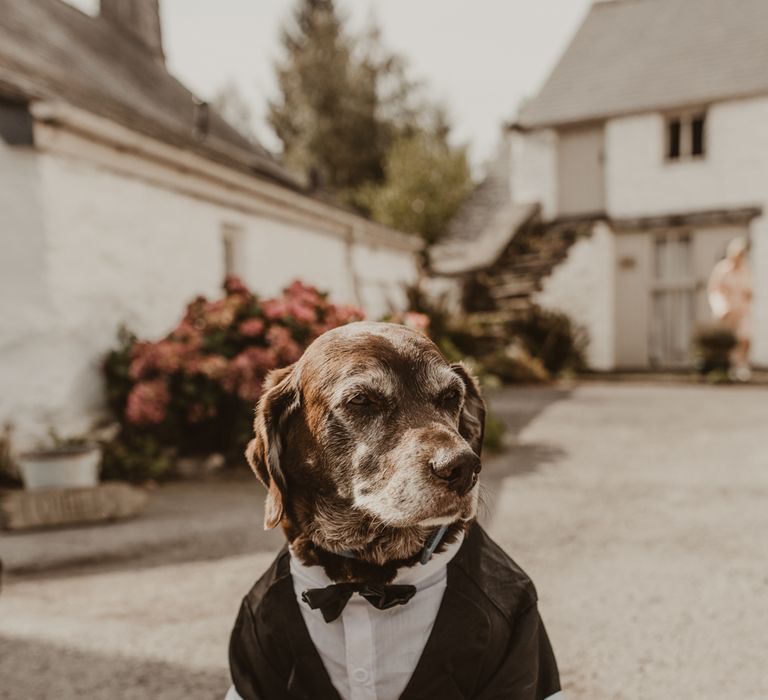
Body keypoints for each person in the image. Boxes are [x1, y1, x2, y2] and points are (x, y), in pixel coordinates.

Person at [707, 237, 753, 380]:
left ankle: (741, 366)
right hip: (726, 312)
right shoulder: (722, 269)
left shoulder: (745, 270)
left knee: (745, 338)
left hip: (741, 311)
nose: (740, 257)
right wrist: (721, 309)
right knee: (727, 342)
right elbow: (714, 291)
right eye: (738, 253)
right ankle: (725, 368)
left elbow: (749, 291)